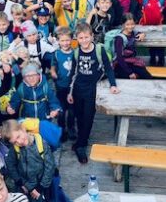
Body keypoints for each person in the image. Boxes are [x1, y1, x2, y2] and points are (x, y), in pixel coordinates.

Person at [68, 23, 119, 163]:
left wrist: (113, 84)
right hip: (78, 88)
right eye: (80, 38)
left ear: (92, 36)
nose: (84, 40)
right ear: (76, 39)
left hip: (92, 89)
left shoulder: (99, 50)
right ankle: (80, 140)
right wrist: (70, 92)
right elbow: (73, 72)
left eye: (86, 37)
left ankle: (81, 146)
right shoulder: (76, 52)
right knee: (79, 117)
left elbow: (108, 68)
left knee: (88, 117)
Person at [1, 120, 55, 202]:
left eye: (19, 136)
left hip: (38, 185)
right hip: (22, 184)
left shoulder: (41, 144)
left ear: (23, 129)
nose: (19, 142)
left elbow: (50, 167)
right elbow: (10, 165)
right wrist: (20, 183)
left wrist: (40, 188)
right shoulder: (15, 149)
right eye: (15, 141)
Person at [50, 26, 76, 142]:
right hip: (60, 85)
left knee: (71, 110)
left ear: (71, 40)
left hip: (72, 87)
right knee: (61, 109)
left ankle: (71, 127)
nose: (65, 43)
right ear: (58, 41)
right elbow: (53, 66)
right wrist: (53, 72)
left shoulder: (75, 53)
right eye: (62, 40)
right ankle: (62, 129)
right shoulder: (56, 54)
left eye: (67, 40)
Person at [112, 13, 152, 79]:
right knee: (139, 76)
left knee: (146, 75)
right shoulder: (120, 39)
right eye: (127, 24)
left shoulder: (132, 33)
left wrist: (143, 34)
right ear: (123, 24)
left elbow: (138, 33)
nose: (130, 27)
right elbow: (119, 58)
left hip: (130, 62)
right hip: (120, 65)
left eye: (132, 24)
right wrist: (130, 72)